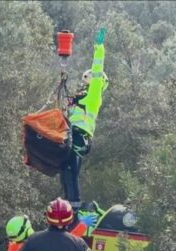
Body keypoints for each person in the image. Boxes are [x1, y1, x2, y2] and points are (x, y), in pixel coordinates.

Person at [60, 28, 109, 212]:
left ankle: (74, 207)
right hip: (72, 135)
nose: (86, 77)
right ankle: (68, 204)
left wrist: (99, 47)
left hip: (80, 136)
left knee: (71, 169)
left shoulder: (94, 94)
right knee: (65, 170)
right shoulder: (82, 97)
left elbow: (97, 69)